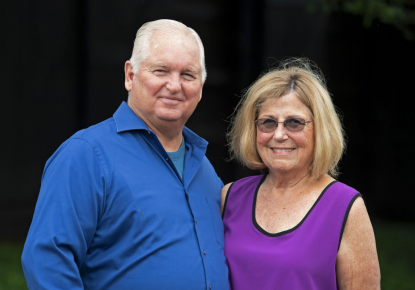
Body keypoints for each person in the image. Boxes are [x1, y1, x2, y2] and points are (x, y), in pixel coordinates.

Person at [22, 19, 228, 290]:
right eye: (161, 70)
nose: (175, 85)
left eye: (188, 75)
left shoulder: (204, 169)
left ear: (200, 87)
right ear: (130, 76)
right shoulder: (87, 155)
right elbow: (48, 262)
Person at [221, 58, 381, 290]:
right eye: (268, 122)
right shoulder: (230, 197)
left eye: (294, 123)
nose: (279, 134)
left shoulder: (346, 206)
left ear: (320, 129)